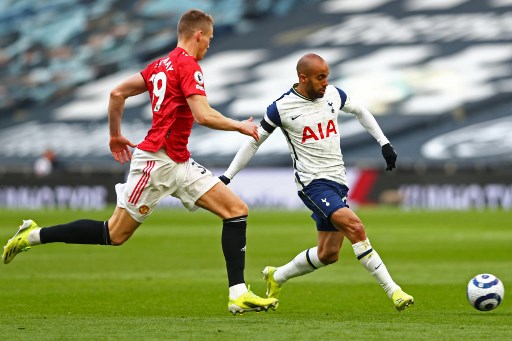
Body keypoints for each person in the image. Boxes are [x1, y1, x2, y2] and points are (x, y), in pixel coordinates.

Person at [2, 9, 278, 316]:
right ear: (198, 34)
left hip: (179, 161)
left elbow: (117, 92)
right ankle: (32, 236)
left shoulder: (160, 64)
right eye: (209, 40)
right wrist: (239, 125)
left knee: (236, 211)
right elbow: (203, 115)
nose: (208, 46)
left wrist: (115, 135)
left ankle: (237, 294)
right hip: (156, 162)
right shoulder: (188, 65)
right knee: (114, 234)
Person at [219, 53, 414, 311]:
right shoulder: (281, 108)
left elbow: (360, 110)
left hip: (338, 181)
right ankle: (394, 291)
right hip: (312, 184)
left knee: (328, 254)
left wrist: (384, 143)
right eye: (320, 78)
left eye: (327, 77)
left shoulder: (333, 94)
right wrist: (227, 176)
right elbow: (254, 142)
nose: (325, 83)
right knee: (355, 226)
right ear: (303, 78)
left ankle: (278, 276)